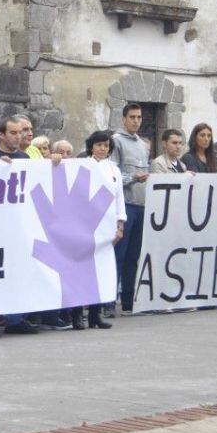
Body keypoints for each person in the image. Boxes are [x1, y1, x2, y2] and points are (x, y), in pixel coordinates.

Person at [0, 116, 37, 334]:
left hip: (17, 225)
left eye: (20, 132)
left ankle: (16, 318)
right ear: (1, 135)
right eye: (13, 133)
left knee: (17, 271)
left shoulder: (24, 157)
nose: (18, 136)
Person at [75, 130, 126, 330]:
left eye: (106, 145)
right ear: (91, 146)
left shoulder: (114, 169)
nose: (103, 149)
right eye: (99, 145)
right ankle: (78, 314)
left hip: (107, 225)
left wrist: (120, 225)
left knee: (101, 271)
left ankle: (96, 314)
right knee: (81, 270)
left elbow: (119, 198)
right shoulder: (82, 165)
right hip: (86, 223)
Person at [110, 102, 149, 316]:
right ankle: (109, 301)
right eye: (132, 117)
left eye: (139, 117)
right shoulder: (116, 141)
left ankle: (128, 301)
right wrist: (133, 178)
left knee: (134, 256)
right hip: (125, 205)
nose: (136, 121)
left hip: (141, 204)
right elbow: (112, 174)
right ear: (124, 119)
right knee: (119, 254)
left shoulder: (143, 144)